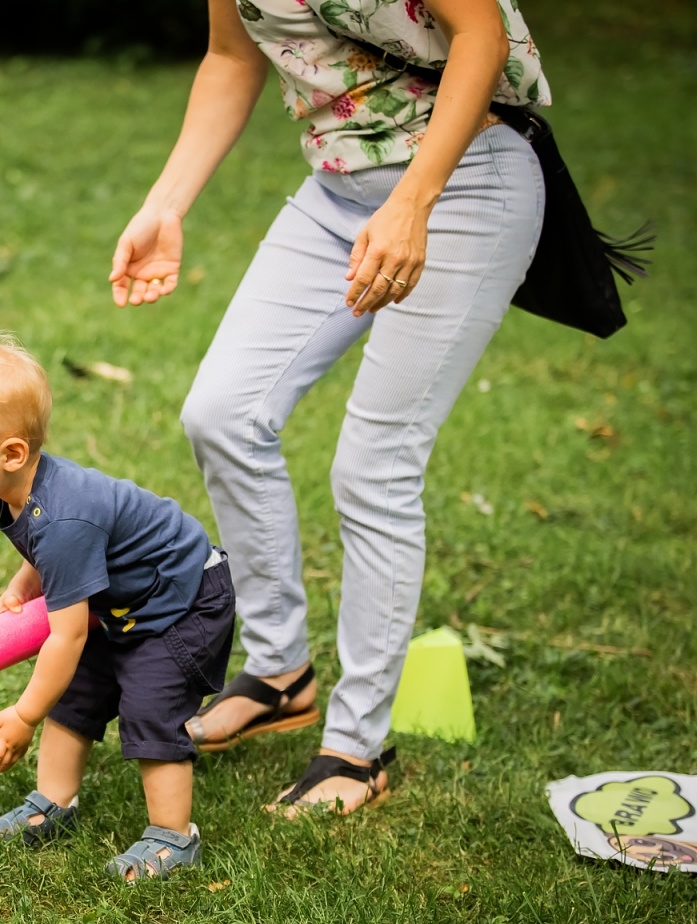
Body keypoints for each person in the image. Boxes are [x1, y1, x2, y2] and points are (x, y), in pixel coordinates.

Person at [107, 0, 548, 815]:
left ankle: (356, 748)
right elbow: (231, 57)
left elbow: (480, 33)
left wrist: (413, 203)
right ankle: (281, 672)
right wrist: (165, 203)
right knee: (222, 414)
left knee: (375, 467)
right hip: (339, 191)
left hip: (462, 184)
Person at [0, 337, 236, 880]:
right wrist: (24, 584)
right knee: (75, 694)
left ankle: (174, 837)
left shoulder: (63, 520)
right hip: (128, 602)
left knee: (149, 705)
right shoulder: (24, 490)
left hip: (183, 603)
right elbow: (43, 548)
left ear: (11, 454)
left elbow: (67, 635)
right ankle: (53, 804)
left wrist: (24, 715)